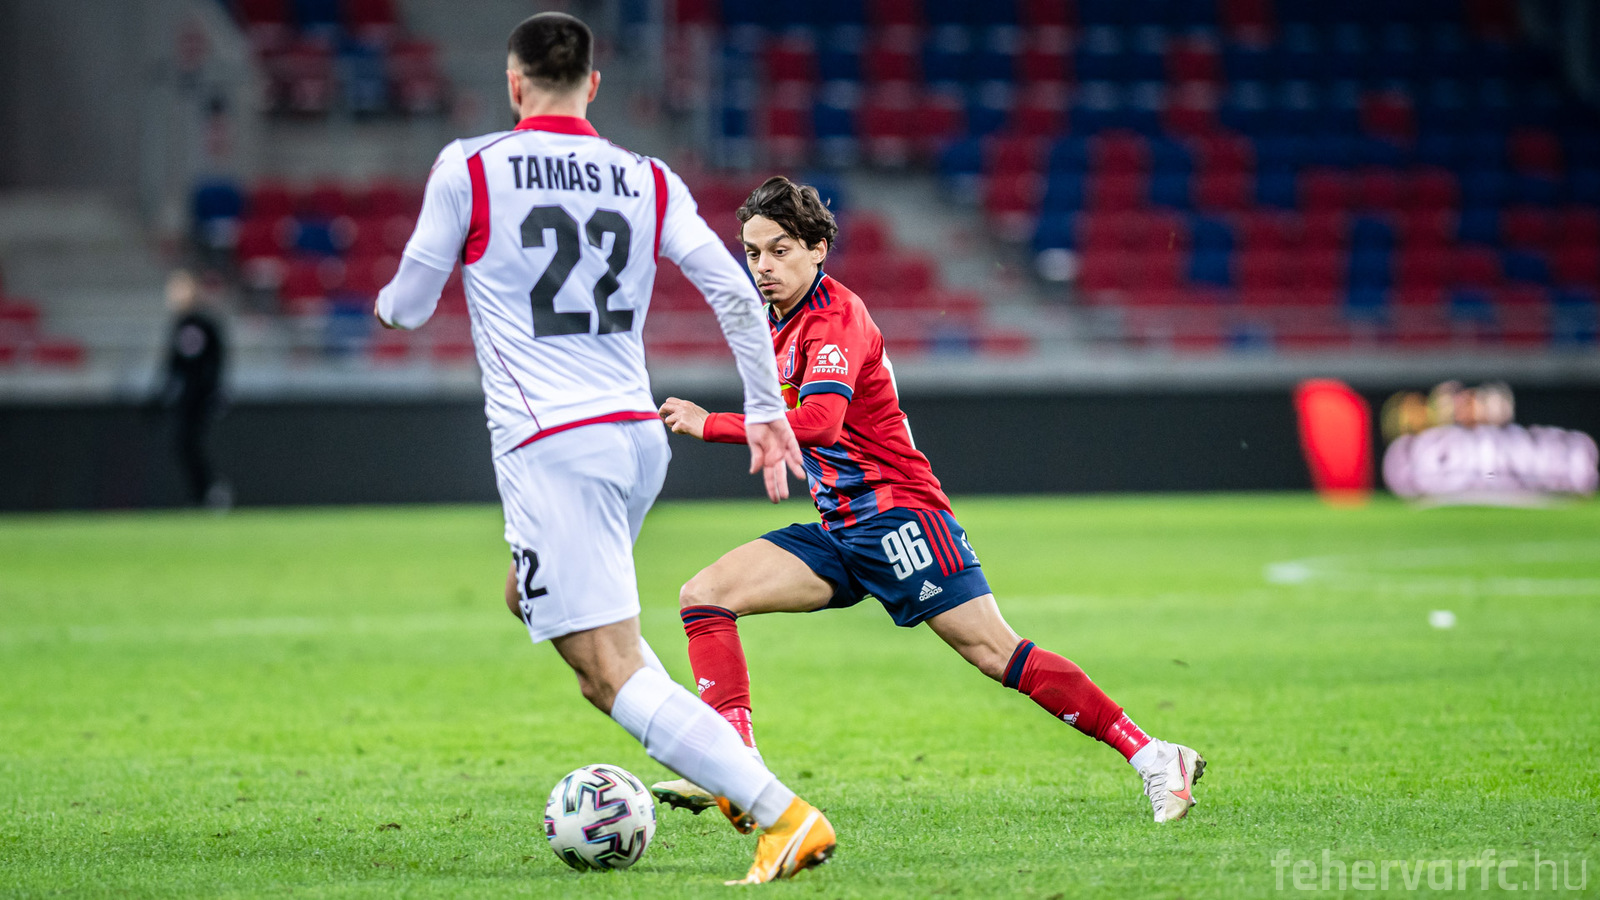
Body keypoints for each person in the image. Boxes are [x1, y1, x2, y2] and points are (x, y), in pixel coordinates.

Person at [372, 14, 835, 884]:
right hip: (635, 438)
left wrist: (391, 304)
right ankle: (723, 770)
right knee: (529, 596)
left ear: (514, 84)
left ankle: (781, 814)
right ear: (592, 85)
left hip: (554, 443)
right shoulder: (646, 177)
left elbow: (409, 304)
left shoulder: (471, 167)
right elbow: (736, 294)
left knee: (604, 670)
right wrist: (766, 407)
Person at [652, 177, 1206, 826]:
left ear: (817, 249)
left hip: (900, 517)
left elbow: (823, 421)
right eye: (753, 253)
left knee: (997, 653)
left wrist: (712, 424)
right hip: (841, 529)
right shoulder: (777, 324)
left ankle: (1156, 756)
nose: (764, 266)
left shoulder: (835, 318)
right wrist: (776, 445)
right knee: (705, 596)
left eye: (780, 250)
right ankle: (736, 768)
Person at [152, 268, 229, 507]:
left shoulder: (202, 324)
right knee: (183, 444)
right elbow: (173, 365)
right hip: (187, 397)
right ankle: (200, 493)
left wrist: (213, 392)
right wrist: (162, 394)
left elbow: (216, 361)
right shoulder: (181, 324)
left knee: (190, 443)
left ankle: (209, 491)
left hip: (200, 396)